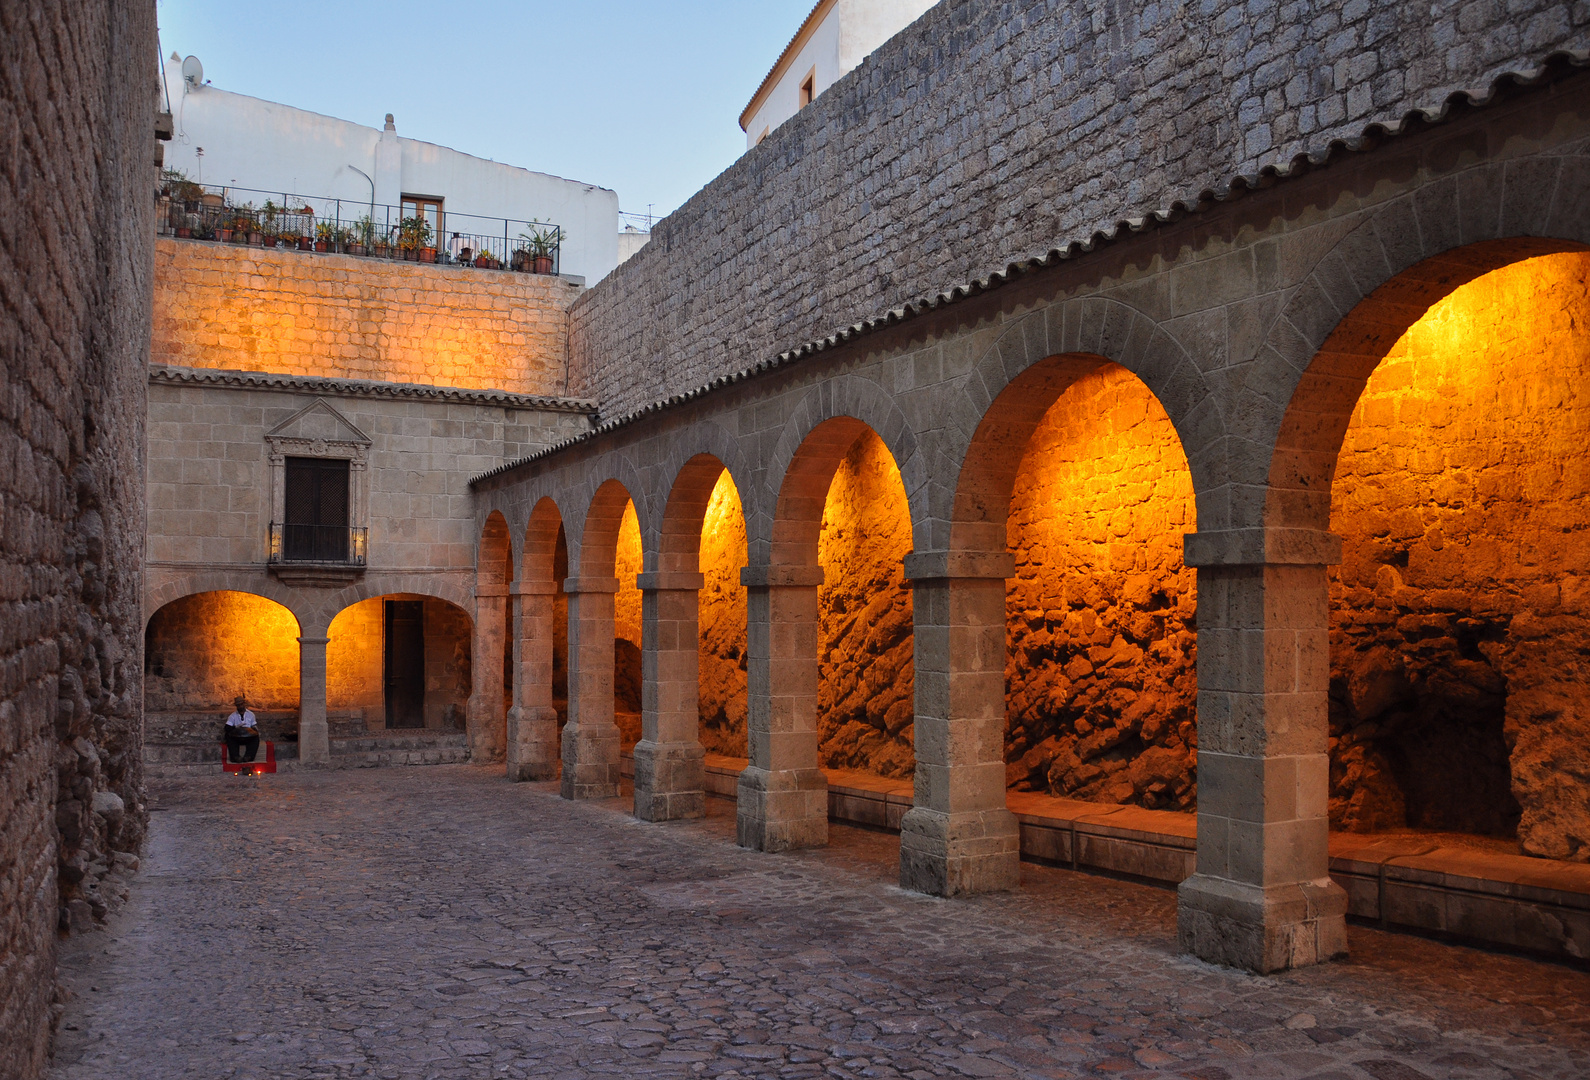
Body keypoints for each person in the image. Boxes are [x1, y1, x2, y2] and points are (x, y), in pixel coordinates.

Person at [224, 695, 261, 763]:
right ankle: (235, 757)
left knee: (256, 737)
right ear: (236, 706)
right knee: (228, 736)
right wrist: (236, 727)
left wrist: (254, 729)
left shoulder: (251, 715)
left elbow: (254, 726)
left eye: (241, 704)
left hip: (248, 736)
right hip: (237, 737)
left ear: (244, 704)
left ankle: (248, 756)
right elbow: (227, 728)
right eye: (238, 705)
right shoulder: (233, 716)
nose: (240, 706)